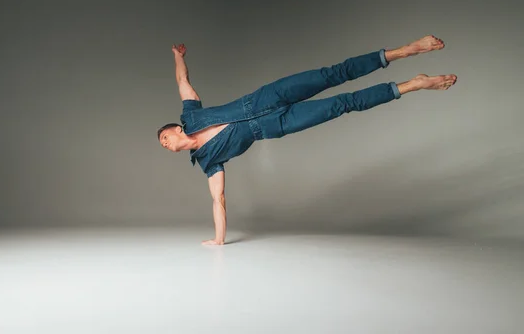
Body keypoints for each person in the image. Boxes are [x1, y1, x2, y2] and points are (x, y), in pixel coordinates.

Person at [157, 36, 457, 245]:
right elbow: (218, 199)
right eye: (163, 144)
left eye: (164, 137)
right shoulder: (209, 162)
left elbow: (182, 81)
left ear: (176, 130)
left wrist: (177, 56)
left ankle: (404, 51)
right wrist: (219, 239)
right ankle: (413, 84)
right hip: (277, 124)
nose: (165, 143)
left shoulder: (191, 115)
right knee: (344, 104)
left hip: (266, 96)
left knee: (333, 74)